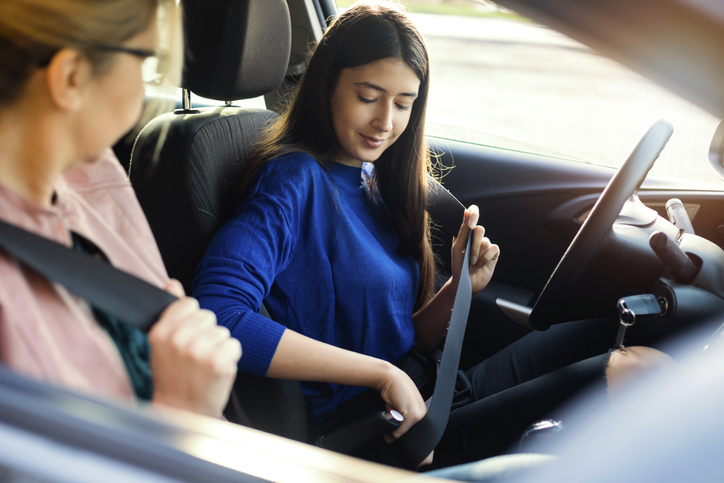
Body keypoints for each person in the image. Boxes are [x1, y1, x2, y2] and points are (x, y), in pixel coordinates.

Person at [193, 0, 671, 469]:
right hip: (381, 431)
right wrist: (383, 375)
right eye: (368, 96)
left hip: (433, 389)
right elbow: (218, 314)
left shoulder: (371, 178)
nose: (386, 122)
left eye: (404, 104)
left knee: (622, 327)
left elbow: (400, 337)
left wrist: (460, 287)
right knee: (637, 372)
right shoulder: (294, 181)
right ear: (327, 85)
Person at [0, 0, 241, 419]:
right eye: (145, 61)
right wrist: (179, 414)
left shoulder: (93, 173)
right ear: (71, 77)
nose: (146, 85)